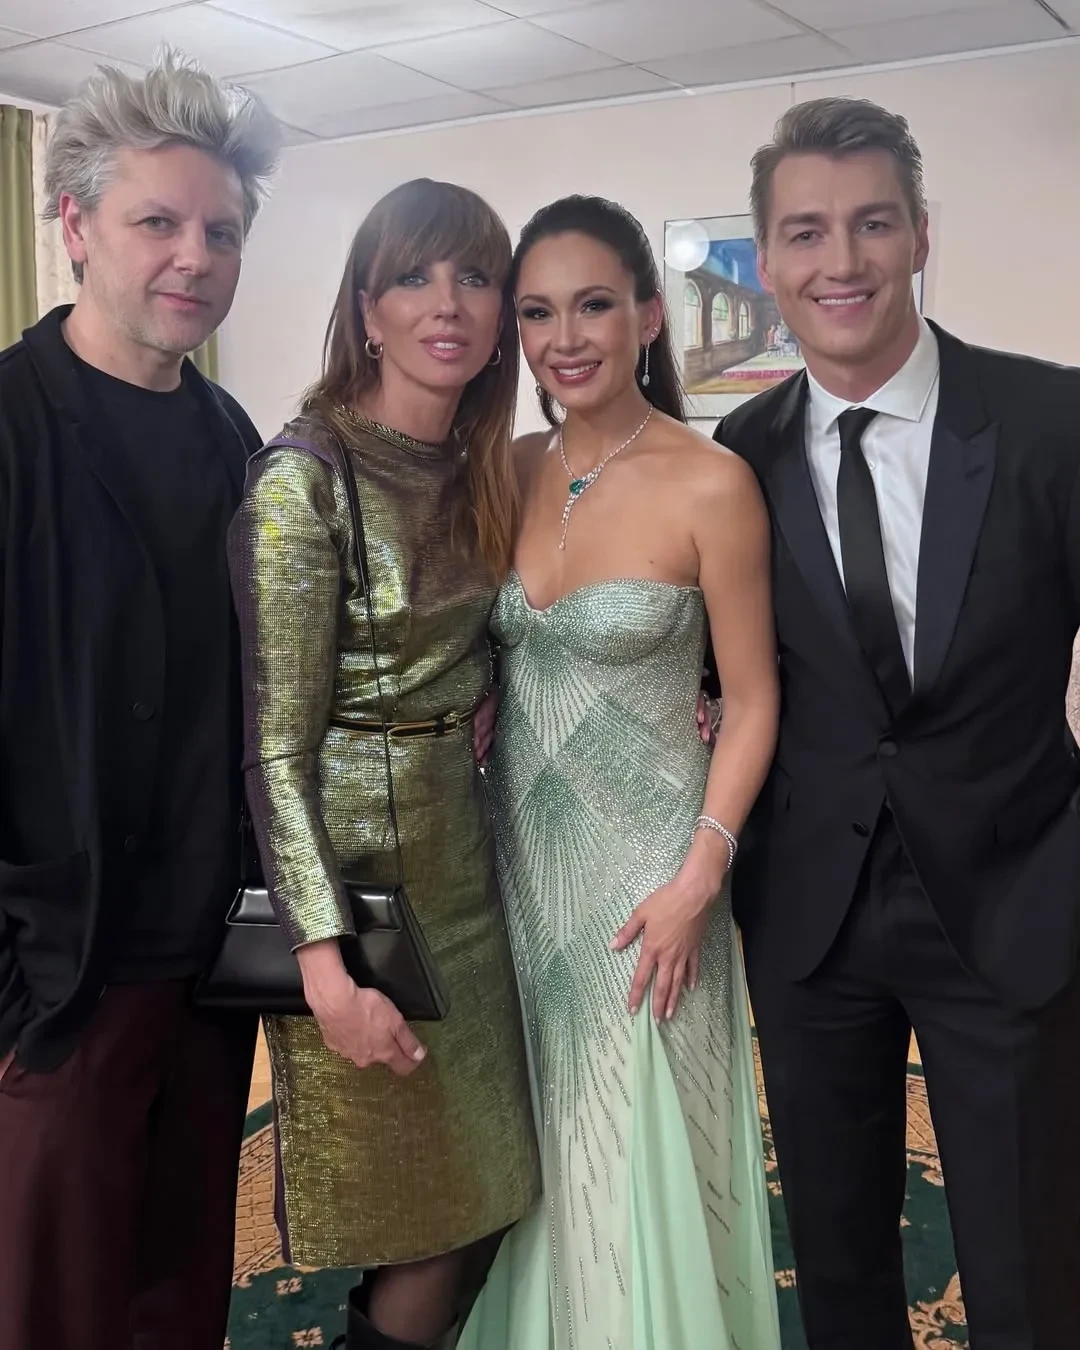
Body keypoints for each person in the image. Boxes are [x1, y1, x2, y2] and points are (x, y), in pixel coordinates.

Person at [713, 97, 1080, 1349]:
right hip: (809, 917)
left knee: (1031, 1272)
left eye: (873, 223)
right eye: (806, 232)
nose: (843, 260)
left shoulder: (1051, 423)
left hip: (1014, 901)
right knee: (839, 1264)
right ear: (768, 264)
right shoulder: (739, 455)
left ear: (922, 235)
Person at [459, 196, 782, 1350]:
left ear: (648, 316)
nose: (565, 337)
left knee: (636, 1153)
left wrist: (701, 878)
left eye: (593, 304)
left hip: (655, 878)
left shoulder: (712, 482)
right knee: (544, 1155)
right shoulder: (501, 469)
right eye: (537, 311)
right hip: (519, 871)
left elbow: (754, 700)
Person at [228, 178, 540, 1350]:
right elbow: (274, 752)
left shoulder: (477, 463)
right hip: (361, 901)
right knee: (425, 1221)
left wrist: (490, 683)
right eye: (414, 277)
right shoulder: (304, 477)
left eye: (475, 277)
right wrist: (323, 968)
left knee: (491, 1189)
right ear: (368, 309)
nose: (446, 303)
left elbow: (473, 630)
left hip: (466, 874)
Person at [0, 52, 279, 1350]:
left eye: (220, 232)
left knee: (181, 1299)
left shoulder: (233, 439)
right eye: (157, 221)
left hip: (207, 961)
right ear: (75, 226)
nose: (193, 257)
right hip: (57, 973)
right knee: (52, 1313)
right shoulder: (10, 427)